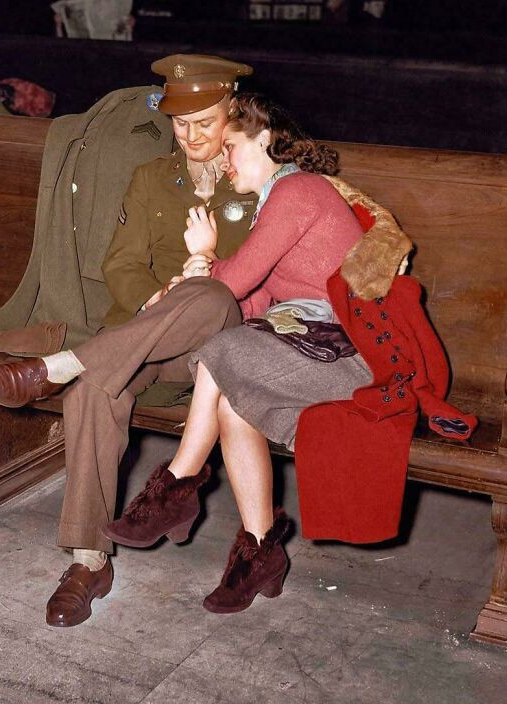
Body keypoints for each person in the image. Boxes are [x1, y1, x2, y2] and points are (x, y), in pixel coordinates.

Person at [0, 57, 411, 628]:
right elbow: (121, 264)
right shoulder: (151, 178)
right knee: (94, 390)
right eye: (181, 124)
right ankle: (86, 560)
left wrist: (198, 274)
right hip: (146, 337)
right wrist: (158, 297)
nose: (193, 137)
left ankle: (58, 368)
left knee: (207, 295)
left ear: (235, 115)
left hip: (228, 335)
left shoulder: (261, 181)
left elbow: (261, 283)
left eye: (206, 123)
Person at [103, 93, 476, 614]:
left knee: (222, 352)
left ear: (263, 139)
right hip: (308, 348)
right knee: (233, 401)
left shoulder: (298, 190)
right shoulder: (273, 204)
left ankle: (178, 484)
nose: (224, 160)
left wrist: (206, 257)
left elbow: (236, 282)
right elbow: (253, 299)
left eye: (230, 146)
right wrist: (198, 280)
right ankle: (259, 553)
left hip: (352, 356)